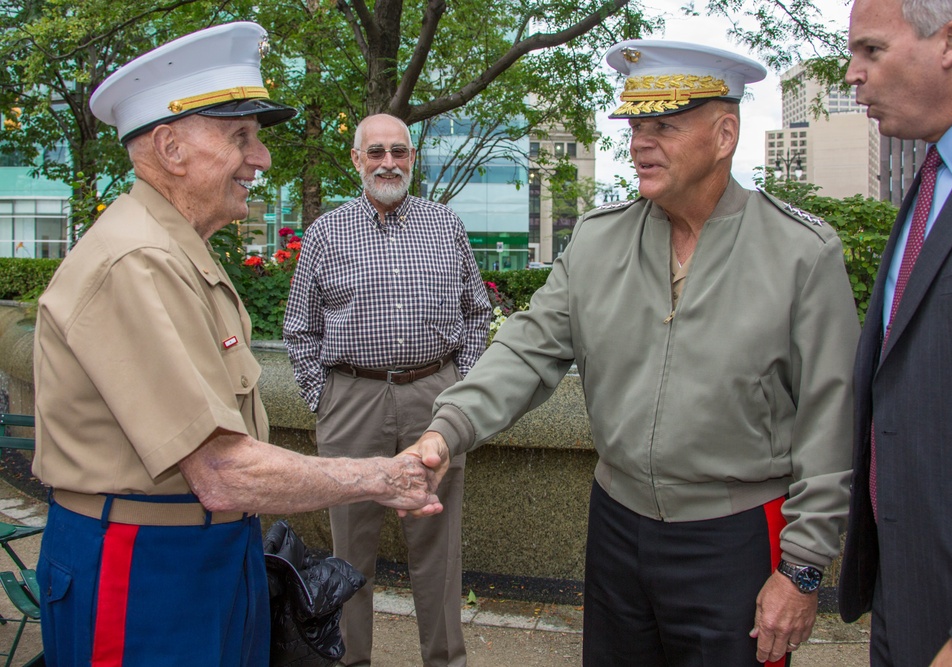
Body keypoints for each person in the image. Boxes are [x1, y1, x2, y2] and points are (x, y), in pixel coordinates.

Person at [404, 40, 860, 666]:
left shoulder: (802, 255)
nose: (640, 142)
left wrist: (803, 570)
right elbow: (527, 348)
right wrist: (446, 429)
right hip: (617, 529)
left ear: (724, 134)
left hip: (737, 538)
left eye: (664, 126)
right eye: (635, 126)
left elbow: (831, 422)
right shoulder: (596, 241)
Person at [31, 23, 443, 666]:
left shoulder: (172, 248)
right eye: (240, 137)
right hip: (144, 567)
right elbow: (221, 471)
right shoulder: (136, 260)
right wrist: (382, 475)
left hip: (204, 554)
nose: (262, 159)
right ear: (170, 147)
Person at [283, 113, 491, 667]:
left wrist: (459, 389)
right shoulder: (327, 232)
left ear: (412, 158)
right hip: (352, 401)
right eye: (376, 152)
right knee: (351, 550)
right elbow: (299, 328)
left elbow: (477, 311)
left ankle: (446, 660)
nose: (388, 163)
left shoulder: (446, 226)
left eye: (398, 151)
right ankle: (350, 660)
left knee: (439, 550)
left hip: (434, 401)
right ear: (357, 160)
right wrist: (322, 399)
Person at [838, 1, 952, 665]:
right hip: (907, 601)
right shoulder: (933, 178)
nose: (853, 75)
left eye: (872, 50)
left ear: (951, 42)